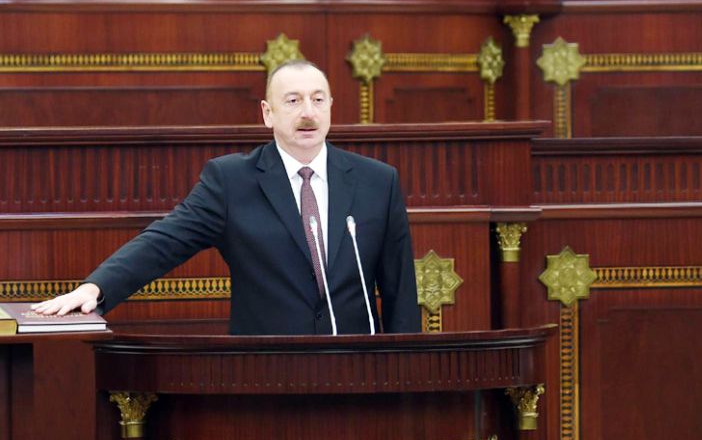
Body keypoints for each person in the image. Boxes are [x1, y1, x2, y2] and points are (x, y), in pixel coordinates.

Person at [33, 60, 420, 335]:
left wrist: (405, 374)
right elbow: (165, 241)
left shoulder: (377, 182)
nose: (308, 113)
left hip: (357, 372)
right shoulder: (232, 181)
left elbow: (400, 292)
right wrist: (96, 288)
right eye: (293, 101)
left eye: (318, 100)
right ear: (267, 113)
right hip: (265, 376)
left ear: (331, 108)